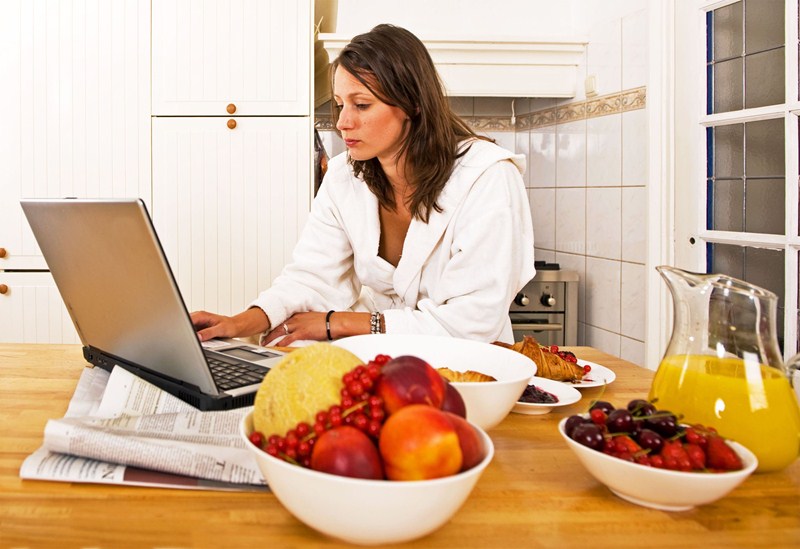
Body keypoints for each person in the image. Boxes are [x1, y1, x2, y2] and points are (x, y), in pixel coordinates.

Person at [191, 24, 535, 347]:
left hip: (470, 370)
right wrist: (239, 323)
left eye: (362, 105)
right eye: (340, 104)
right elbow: (312, 277)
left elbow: (471, 323)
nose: (343, 122)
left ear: (412, 105)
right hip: (382, 361)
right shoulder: (345, 176)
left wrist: (336, 322)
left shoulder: (487, 177)